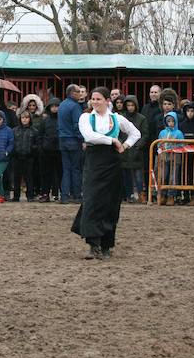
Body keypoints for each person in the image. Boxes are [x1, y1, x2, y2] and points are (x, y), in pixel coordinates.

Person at [71, 87, 140, 260]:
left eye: (98, 99)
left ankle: (106, 245)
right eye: (93, 99)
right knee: (92, 200)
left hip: (112, 163)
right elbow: (89, 136)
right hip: (94, 162)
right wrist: (113, 140)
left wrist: (126, 145)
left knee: (110, 203)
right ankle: (93, 245)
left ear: (107, 100)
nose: (95, 102)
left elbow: (135, 133)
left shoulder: (116, 118)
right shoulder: (86, 117)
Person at [119, 95, 149, 203]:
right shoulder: (121, 117)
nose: (130, 107)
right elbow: (118, 133)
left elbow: (145, 134)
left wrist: (139, 145)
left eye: (132, 105)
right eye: (128, 105)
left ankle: (141, 195)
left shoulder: (141, 118)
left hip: (137, 151)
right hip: (125, 150)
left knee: (139, 176)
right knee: (126, 175)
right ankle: (129, 195)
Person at [58, 85, 84, 204]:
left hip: (62, 140)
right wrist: (82, 139)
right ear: (72, 93)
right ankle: (77, 195)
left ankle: (64, 196)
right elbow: (77, 125)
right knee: (76, 169)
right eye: (78, 92)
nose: (81, 94)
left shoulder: (62, 105)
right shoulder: (75, 106)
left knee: (66, 169)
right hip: (73, 140)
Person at [156, 111, 184, 205]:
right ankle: (163, 195)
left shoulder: (179, 133)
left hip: (175, 157)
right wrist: (160, 148)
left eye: (172, 121)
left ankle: (171, 196)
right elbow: (159, 143)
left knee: (173, 177)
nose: (171, 123)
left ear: (175, 122)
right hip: (164, 157)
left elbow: (182, 144)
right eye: (168, 121)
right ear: (166, 122)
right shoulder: (162, 132)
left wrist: (175, 147)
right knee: (163, 175)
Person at [11, 110, 38, 201]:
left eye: (27, 118)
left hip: (29, 157)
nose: (25, 120)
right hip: (17, 157)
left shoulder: (34, 131)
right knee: (16, 178)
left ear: (30, 119)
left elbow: (37, 143)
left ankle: (30, 196)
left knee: (29, 177)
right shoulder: (15, 130)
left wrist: (32, 149)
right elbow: (12, 142)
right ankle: (16, 196)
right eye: (23, 118)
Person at [38, 97, 61, 202]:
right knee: (46, 174)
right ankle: (45, 194)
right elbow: (40, 135)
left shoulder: (62, 120)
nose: (55, 108)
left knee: (60, 173)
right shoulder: (45, 120)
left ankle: (60, 194)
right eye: (53, 106)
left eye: (57, 106)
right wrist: (41, 147)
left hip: (60, 150)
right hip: (46, 151)